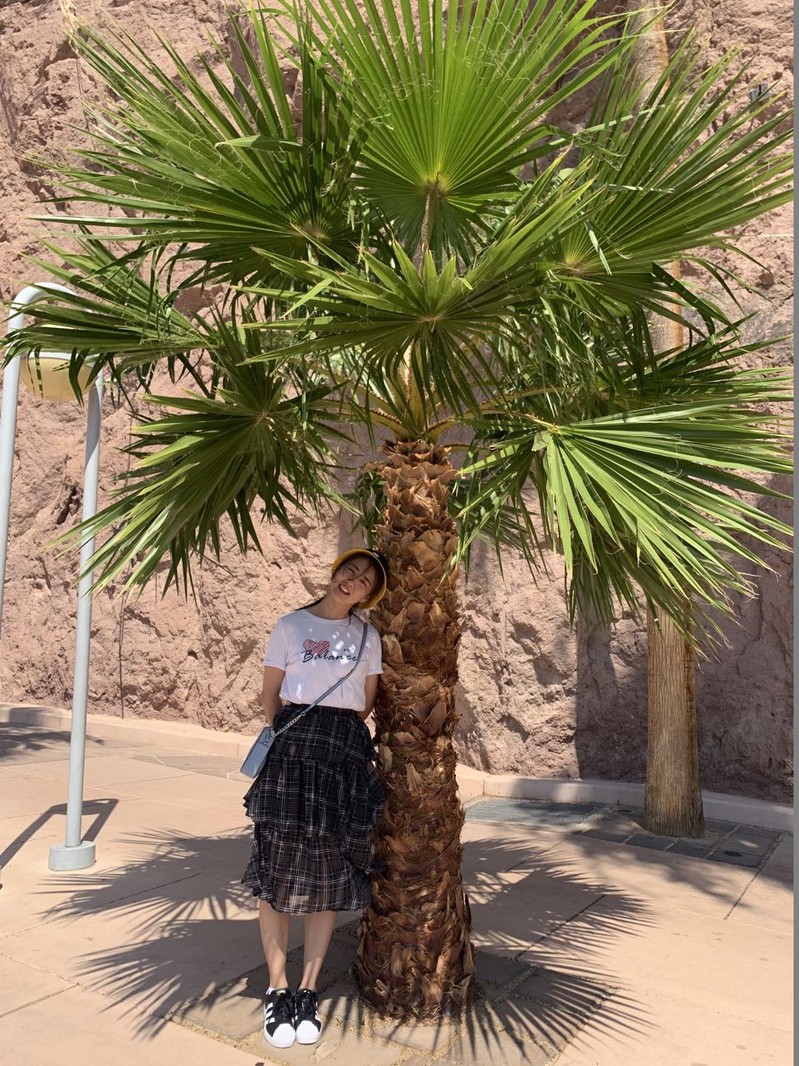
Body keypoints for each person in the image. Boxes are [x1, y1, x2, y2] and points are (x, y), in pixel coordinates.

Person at [241, 547, 388, 1049]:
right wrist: (290, 739)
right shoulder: (289, 626)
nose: (354, 581)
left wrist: (331, 733)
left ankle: (307, 991)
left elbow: (366, 702)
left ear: (369, 595)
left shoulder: (368, 637)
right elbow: (270, 695)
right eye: (352, 570)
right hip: (293, 748)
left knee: (328, 870)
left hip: (341, 751)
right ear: (336, 571)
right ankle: (277, 988)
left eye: (365, 581)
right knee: (277, 866)